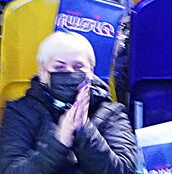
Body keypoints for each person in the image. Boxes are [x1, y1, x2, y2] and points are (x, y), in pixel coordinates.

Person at [0, 32, 136, 174]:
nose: (70, 73)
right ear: (42, 72)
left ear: (91, 71)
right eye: (60, 67)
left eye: (78, 67)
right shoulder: (19, 111)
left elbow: (125, 170)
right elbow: (10, 170)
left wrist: (84, 130)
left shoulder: (112, 113)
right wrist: (60, 142)